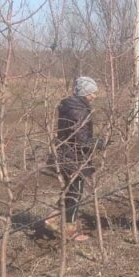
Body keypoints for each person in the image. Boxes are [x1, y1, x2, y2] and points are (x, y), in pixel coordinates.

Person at [47, 76, 102, 241]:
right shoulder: (79, 110)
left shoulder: (69, 106)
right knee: (75, 193)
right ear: (85, 93)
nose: (94, 96)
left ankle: (55, 219)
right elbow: (81, 140)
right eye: (92, 93)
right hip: (74, 157)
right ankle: (68, 229)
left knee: (70, 191)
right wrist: (99, 143)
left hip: (66, 153)